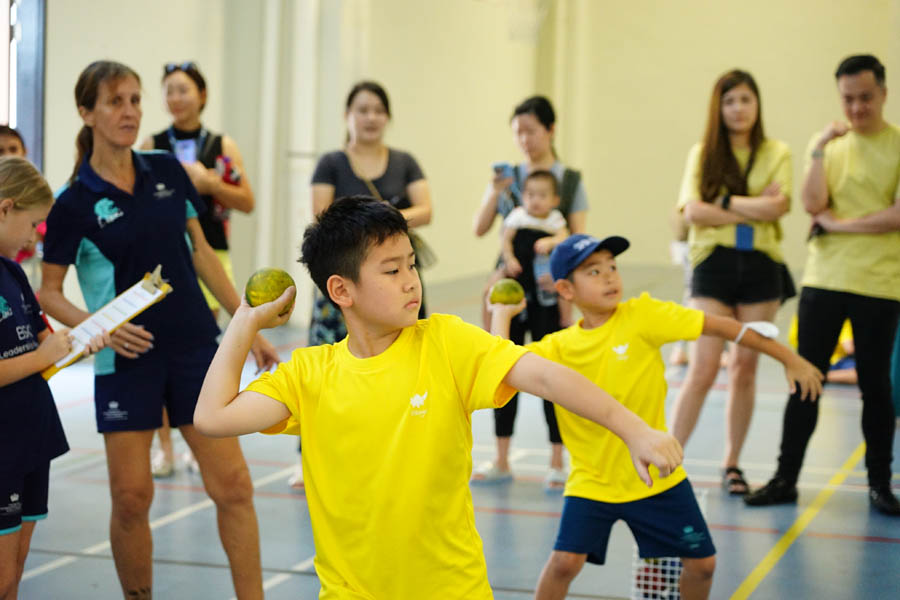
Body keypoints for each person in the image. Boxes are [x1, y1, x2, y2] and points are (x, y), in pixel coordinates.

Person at [194, 196, 685, 599]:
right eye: (391, 270)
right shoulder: (309, 374)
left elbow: (548, 378)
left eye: (412, 264)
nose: (412, 280)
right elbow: (213, 416)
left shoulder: (447, 343)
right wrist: (244, 320)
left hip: (452, 589)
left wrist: (634, 428)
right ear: (341, 290)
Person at [39, 60, 278, 598]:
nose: (129, 112)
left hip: (196, 349)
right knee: (131, 498)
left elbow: (204, 256)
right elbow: (49, 292)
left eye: (134, 100)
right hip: (126, 362)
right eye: (115, 102)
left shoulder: (167, 170)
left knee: (235, 486)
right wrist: (98, 327)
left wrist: (249, 323)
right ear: (87, 112)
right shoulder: (72, 203)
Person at [488, 234, 822, 600]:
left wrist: (789, 358)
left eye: (612, 267)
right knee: (564, 563)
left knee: (703, 564)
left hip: (657, 477)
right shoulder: (557, 348)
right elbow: (503, 366)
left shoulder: (643, 315)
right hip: (592, 482)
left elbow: (722, 326)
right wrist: (502, 314)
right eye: (594, 271)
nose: (610, 277)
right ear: (566, 289)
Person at [745, 55, 900, 515]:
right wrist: (816, 148)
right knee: (805, 379)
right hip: (824, 279)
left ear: (884, 94)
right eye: (848, 99)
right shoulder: (830, 146)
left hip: (880, 283)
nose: (856, 108)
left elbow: (897, 216)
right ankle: (785, 478)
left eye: (865, 98)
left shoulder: (896, 145)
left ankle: (879, 485)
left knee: (876, 386)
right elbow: (813, 204)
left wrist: (839, 224)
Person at [293, 80, 434, 487]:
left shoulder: (404, 161)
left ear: (387, 117)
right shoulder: (331, 163)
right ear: (347, 116)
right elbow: (321, 216)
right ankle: (312, 458)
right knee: (328, 366)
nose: (371, 118)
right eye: (363, 110)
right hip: (348, 281)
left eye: (378, 110)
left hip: (388, 281)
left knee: (401, 362)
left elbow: (426, 208)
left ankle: (394, 448)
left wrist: (378, 223)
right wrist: (376, 225)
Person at [669, 70, 795, 495]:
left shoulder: (777, 152)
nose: (738, 108)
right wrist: (752, 208)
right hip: (714, 265)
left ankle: (732, 465)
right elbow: (692, 213)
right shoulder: (702, 153)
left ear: (757, 104)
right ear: (718, 108)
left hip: (761, 266)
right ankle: (667, 458)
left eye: (745, 99)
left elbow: (780, 207)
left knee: (744, 368)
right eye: (730, 101)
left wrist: (722, 202)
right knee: (703, 367)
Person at [140, 61, 255, 478]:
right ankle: (164, 447)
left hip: (211, 253)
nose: (176, 98)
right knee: (159, 347)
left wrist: (211, 185)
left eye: (184, 89)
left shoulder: (221, 145)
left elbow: (246, 200)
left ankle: (198, 432)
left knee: (197, 347)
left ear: (202, 96)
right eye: (168, 90)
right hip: (164, 259)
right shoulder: (152, 145)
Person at [471, 95, 588, 484]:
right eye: (517, 131)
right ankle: (501, 457)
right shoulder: (509, 179)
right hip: (509, 290)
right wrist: (494, 190)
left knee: (553, 371)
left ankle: (559, 459)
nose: (523, 139)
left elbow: (578, 237)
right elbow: (481, 228)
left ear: (550, 130)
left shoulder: (569, 181)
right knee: (504, 367)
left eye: (531, 130)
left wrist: (570, 294)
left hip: (549, 292)